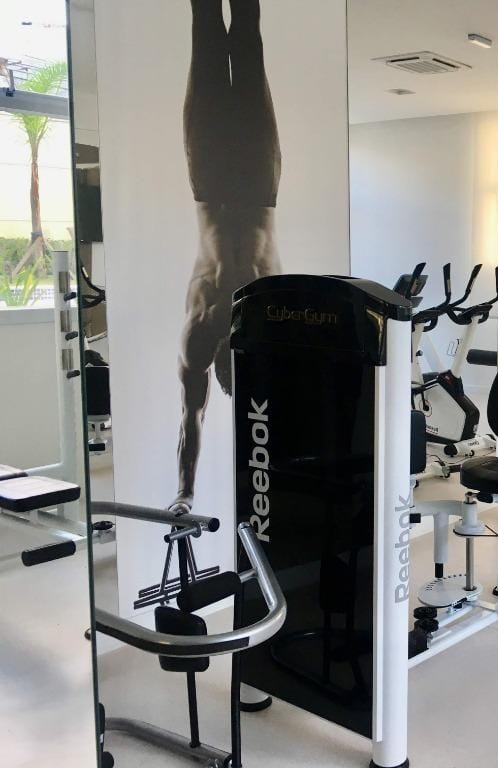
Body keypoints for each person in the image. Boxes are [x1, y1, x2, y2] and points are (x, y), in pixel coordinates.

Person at [171, 0, 281, 513]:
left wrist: (184, 493)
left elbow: (191, 419)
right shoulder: (270, 318)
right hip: (260, 185)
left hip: (209, 182)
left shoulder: (200, 326)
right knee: (249, 40)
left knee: (205, 36)